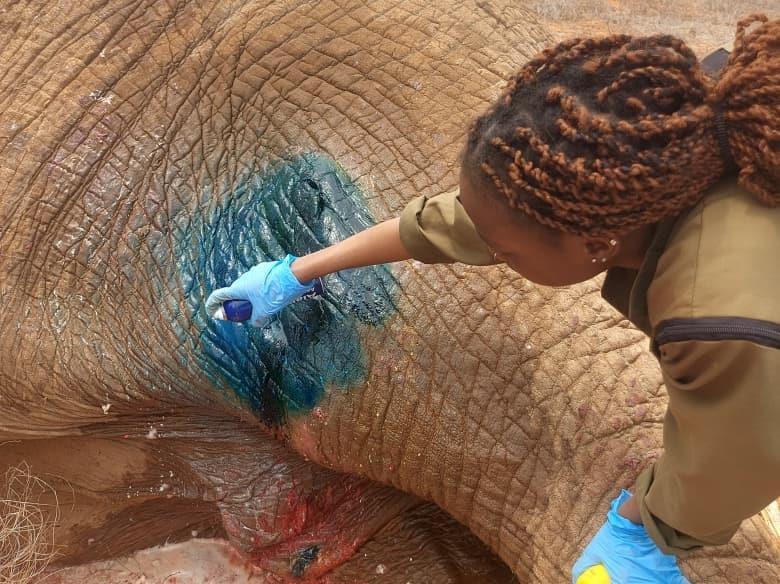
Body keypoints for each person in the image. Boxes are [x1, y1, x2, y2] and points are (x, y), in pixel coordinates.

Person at [206, 15, 779, 583]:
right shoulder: (682, 132)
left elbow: (741, 457)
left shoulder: (714, 316)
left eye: (505, 252)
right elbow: (464, 224)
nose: (494, 252)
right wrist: (297, 272)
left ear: (593, 242)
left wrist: (642, 528)